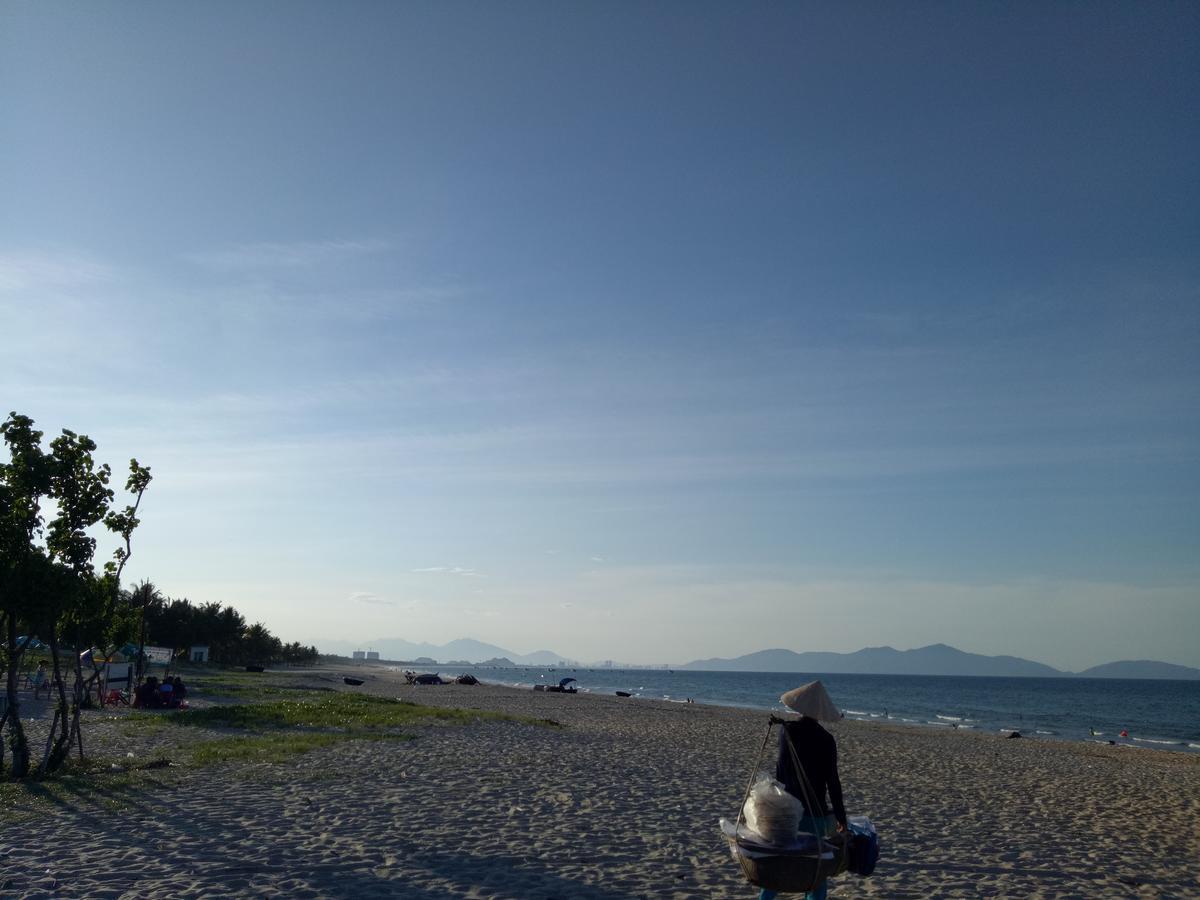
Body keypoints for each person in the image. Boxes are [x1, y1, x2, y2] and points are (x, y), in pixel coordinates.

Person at [759, 681, 848, 900]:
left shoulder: (786, 732)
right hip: (813, 817)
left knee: (777, 868)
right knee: (817, 872)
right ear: (820, 712)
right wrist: (841, 818)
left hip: (786, 815)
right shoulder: (826, 740)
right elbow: (832, 783)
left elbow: (780, 772)